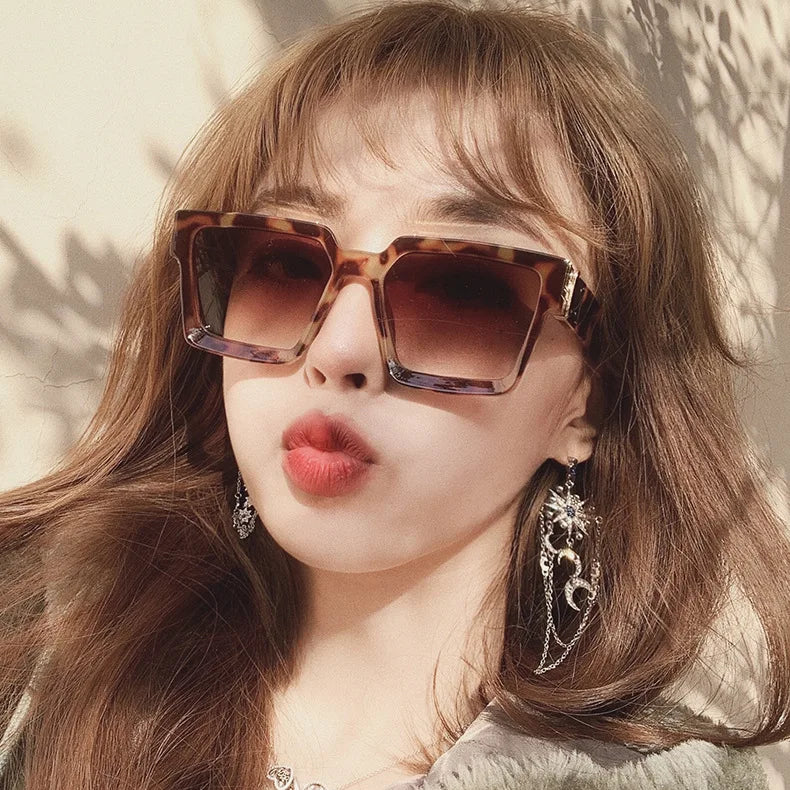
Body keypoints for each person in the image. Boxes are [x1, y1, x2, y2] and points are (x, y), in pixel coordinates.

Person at [0, 1, 787, 788]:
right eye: (285, 262)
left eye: (461, 284)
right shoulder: (42, 695)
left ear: (590, 399)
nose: (337, 351)